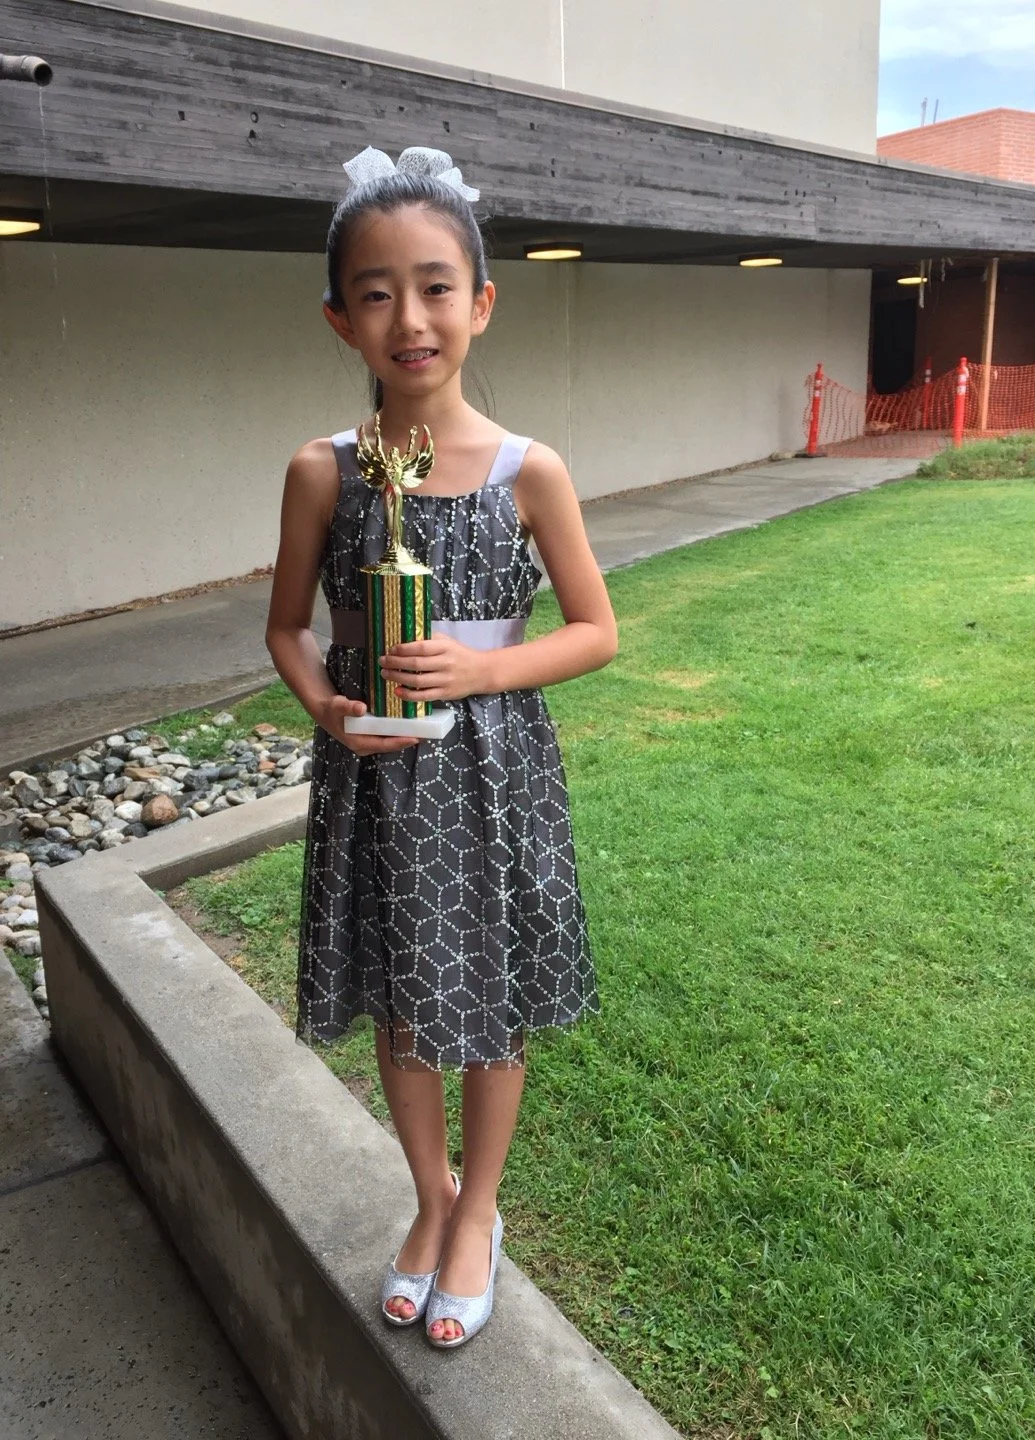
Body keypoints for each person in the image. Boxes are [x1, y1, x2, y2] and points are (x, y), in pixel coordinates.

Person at [264, 144, 617, 1349]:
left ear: (482, 302)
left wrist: (483, 670)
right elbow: (288, 628)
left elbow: (596, 630)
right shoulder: (323, 471)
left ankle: (481, 1214)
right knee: (402, 997)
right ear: (339, 319)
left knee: (488, 994)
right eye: (375, 294)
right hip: (374, 782)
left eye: (434, 287)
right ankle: (430, 1198)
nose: (408, 319)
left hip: (491, 779)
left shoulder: (531, 472)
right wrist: (328, 707)